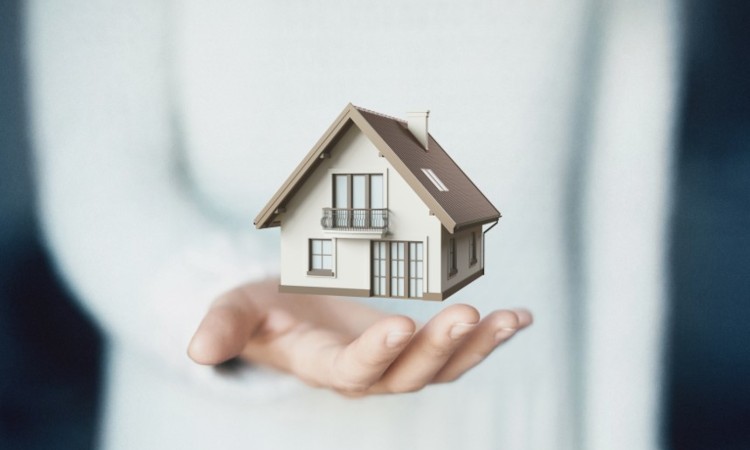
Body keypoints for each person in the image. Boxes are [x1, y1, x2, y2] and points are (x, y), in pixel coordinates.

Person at [25, 0, 679, 448]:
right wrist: (217, 289)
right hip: (213, 426)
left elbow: (622, 227)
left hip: (518, 419)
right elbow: (98, 171)